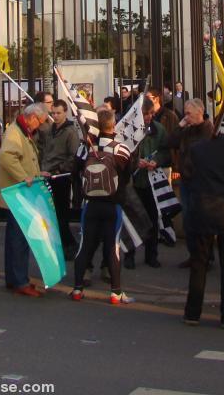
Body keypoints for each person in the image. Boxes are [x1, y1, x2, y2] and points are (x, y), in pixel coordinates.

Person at [182, 110, 224, 329]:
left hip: (201, 211)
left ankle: (192, 313)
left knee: (198, 264)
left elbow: (186, 173)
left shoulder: (198, 149)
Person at [70, 108, 135, 304]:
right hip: (112, 204)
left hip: (91, 204)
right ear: (113, 124)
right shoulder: (120, 148)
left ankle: (77, 289)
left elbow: (75, 171)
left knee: (85, 246)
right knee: (112, 247)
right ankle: (116, 292)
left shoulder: (86, 148)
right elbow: (127, 174)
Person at [0, 101, 49, 297]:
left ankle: (14, 279)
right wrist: (24, 177)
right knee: (19, 239)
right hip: (18, 193)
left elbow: (23, 158)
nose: (41, 126)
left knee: (15, 238)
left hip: (19, 192)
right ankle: (20, 281)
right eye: (40, 121)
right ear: (33, 117)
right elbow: (6, 156)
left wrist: (36, 174)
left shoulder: (20, 130)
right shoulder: (15, 132)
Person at [166, 99, 214, 267]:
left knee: (201, 220)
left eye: (189, 114)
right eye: (185, 113)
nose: (186, 117)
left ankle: (205, 257)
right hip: (187, 181)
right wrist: (180, 125)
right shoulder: (187, 130)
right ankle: (193, 255)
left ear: (199, 112)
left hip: (201, 182)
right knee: (188, 220)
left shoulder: (208, 129)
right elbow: (170, 142)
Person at [133, 97, 171, 268]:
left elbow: (165, 151)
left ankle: (151, 254)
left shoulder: (159, 129)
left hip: (151, 180)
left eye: (151, 114)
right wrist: (135, 162)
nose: (148, 117)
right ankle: (129, 254)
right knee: (133, 218)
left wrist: (157, 160)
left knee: (153, 218)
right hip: (133, 181)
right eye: (145, 114)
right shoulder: (131, 129)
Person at [43, 99, 82, 259]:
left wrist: (60, 169)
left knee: (61, 212)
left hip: (61, 176)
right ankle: (60, 244)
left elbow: (74, 156)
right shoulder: (50, 130)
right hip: (47, 174)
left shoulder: (70, 131)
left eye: (59, 113)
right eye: (53, 113)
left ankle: (69, 245)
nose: (56, 116)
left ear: (65, 112)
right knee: (51, 213)